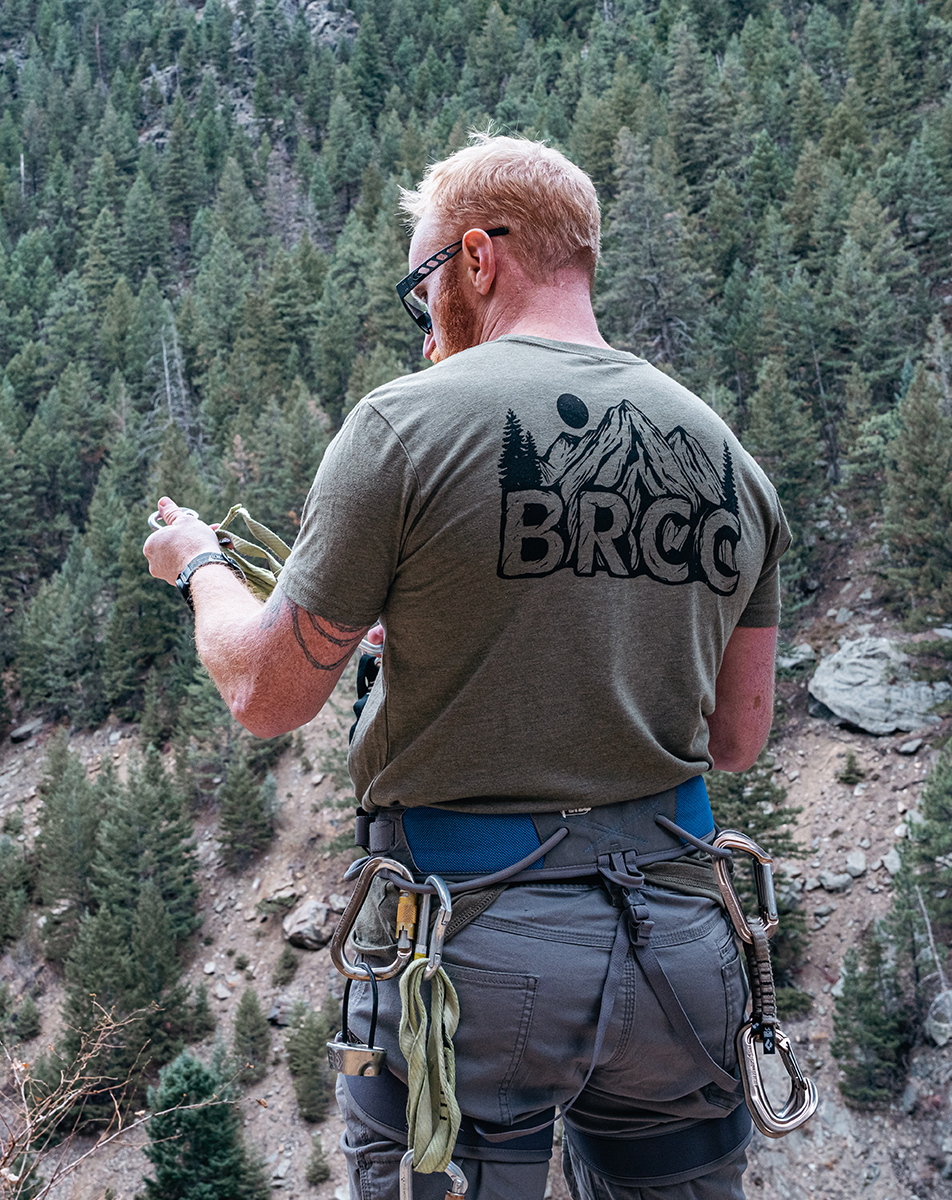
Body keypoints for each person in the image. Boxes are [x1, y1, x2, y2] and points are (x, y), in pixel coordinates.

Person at [144, 133, 789, 1200]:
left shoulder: (407, 424)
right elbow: (737, 737)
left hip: (473, 952)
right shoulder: (728, 459)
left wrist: (202, 566)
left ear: (479, 258)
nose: (425, 320)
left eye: (423, 286)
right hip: (681, 947)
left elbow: (265, 691)